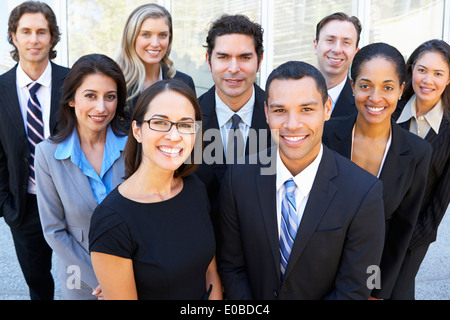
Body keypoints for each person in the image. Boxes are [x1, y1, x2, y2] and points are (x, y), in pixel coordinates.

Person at [217, 61, 385, 300]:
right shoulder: (238, 178)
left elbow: (354, 288)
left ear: (327, 108)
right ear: (266, 113)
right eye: (279, 110)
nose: (292, 124)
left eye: (306, 109)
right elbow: (232, 267)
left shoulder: (363, 192)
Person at [89, 79, 222, 300]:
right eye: (160, 123)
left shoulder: (195, 188)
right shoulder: (111, 222)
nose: (173, 135)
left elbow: (210, 274)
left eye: (185, 125)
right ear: (138, 131)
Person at [322, 43, 432, 300]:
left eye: (388, 87)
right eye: (365, 85)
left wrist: (374, 291)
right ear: (352, 87)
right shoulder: (325, 136)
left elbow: (401, 234)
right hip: (320, 277)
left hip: (378, 282)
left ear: (401, 89)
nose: (375, 97)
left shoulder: (417, 152)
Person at [35, 53, 128, 300]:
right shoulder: (47, 154)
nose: (101, 107)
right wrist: (101, 280)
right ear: (72, 100)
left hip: (133, 272)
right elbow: (54, 230)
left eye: (110, 97)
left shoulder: (133, 147)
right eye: (90, 96)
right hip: (82, 279)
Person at [0, 1, 69, 300]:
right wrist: (6, 205)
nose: (34, 39)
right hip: (24, 206)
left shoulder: (74, 83)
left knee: (81, 280)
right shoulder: (0, 89)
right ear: (13, 36)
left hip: (71, 203)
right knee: (38, 285)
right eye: (25, 31)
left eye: (42, 32)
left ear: (52, 37)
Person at [195, 14, 272, 228]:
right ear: (208, 60)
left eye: (245, 57)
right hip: (203, 250)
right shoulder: (189, 119)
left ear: (260, 61)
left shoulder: (281, 118)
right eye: (223, 57)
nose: (234, 68)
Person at [392, 39, 450, 299]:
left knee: (399, 292)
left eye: (438, 73)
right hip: (372, 229)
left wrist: (408, 239)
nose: (428, 80)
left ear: (448, 79)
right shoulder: (389, 113)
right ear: (411, 70)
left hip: (415, 236)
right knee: (369, 290)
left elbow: (439, 203)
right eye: (422, 70)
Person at [117, 3, 196, 124]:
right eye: (146, 35)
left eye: (163, 35)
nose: (155, 43)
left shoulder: (185, 82)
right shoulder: (116, 84)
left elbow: (194, 134)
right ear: (131, 38)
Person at [314, 12, 361, 118]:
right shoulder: (289, 93)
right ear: (315, 45)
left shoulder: (362, 107)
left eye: (346, 42)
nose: (337, 50)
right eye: (330, 40)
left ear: (355, 52)